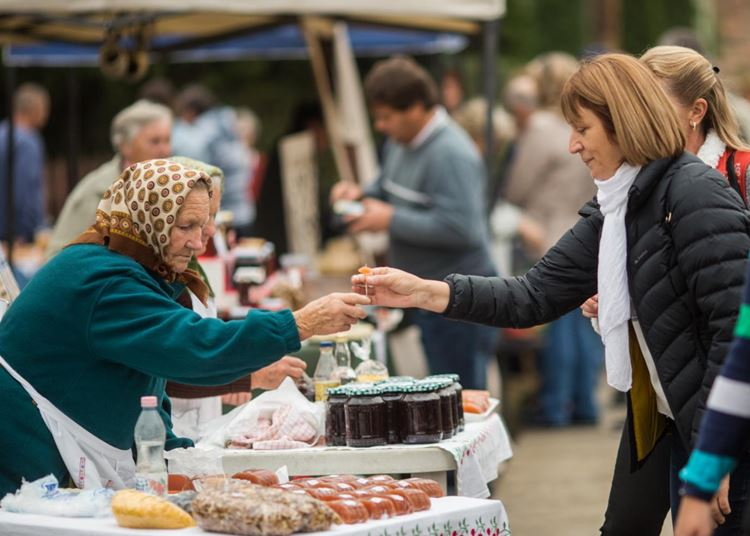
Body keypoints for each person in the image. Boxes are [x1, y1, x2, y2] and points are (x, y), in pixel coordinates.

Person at [351, 54, 750, 534]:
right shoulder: (621, 202)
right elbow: (533, 295)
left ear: (622, 123)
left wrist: (717, 453)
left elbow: (736, 332)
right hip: (666, 411)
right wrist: (425, 292)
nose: (572, 145)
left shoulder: (693, 193)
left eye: (582, 128)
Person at [0, 159, 369, 494]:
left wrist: (174, 454)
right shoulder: (106, 281)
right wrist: (300, 323)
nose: (197, 242)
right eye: (185, 226)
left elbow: (148, 378)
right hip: (22, 451)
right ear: (149, 219)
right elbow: (196, 348)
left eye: (204, 225)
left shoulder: (138, 265)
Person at [331, 55, 497, 389]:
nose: (380, 126)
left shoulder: (452, 153)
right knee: (443, 384)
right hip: (429, 295)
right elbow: (388, 186)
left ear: (418, 108)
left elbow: (462, 229)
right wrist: (361, 193)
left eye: (386, 117)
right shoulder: (400, 142)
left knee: (460, 394)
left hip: (459, 301)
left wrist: (390, 219)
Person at [163, 156, 305, 441]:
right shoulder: (162, 275)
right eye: (201, 218)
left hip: (197, 428)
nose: (212, 229)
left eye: (214, 216)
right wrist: (248, 375)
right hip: (170, 435)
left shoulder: (192, 265)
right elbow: (169, 372)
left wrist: (235, 374)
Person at [504, 52, 602, 428]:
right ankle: (586, 404)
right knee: (584, 326)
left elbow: (517, 186)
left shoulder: (543, 128)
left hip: (552, 233)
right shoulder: (585, 123)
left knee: (558, 323)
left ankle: (556, 405)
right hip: (588, 229)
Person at [46, 100, 172, 257]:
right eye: (155, 141)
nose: (164, 150)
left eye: (167, 140)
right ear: (125, 146)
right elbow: (57, 254)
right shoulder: (96, 190)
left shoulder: (173, 185)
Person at [172, 84, 254, 237]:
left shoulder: (202, 133)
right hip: (244, 209)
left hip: (221, 215)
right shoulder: (228, 124)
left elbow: (193, 171)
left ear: (190, 112)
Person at [0, 83, 50, 245]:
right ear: (36, 109)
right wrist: (26, 231)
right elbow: (24, 190)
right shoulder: (28, 141)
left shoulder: (3, 133)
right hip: (16, 235)